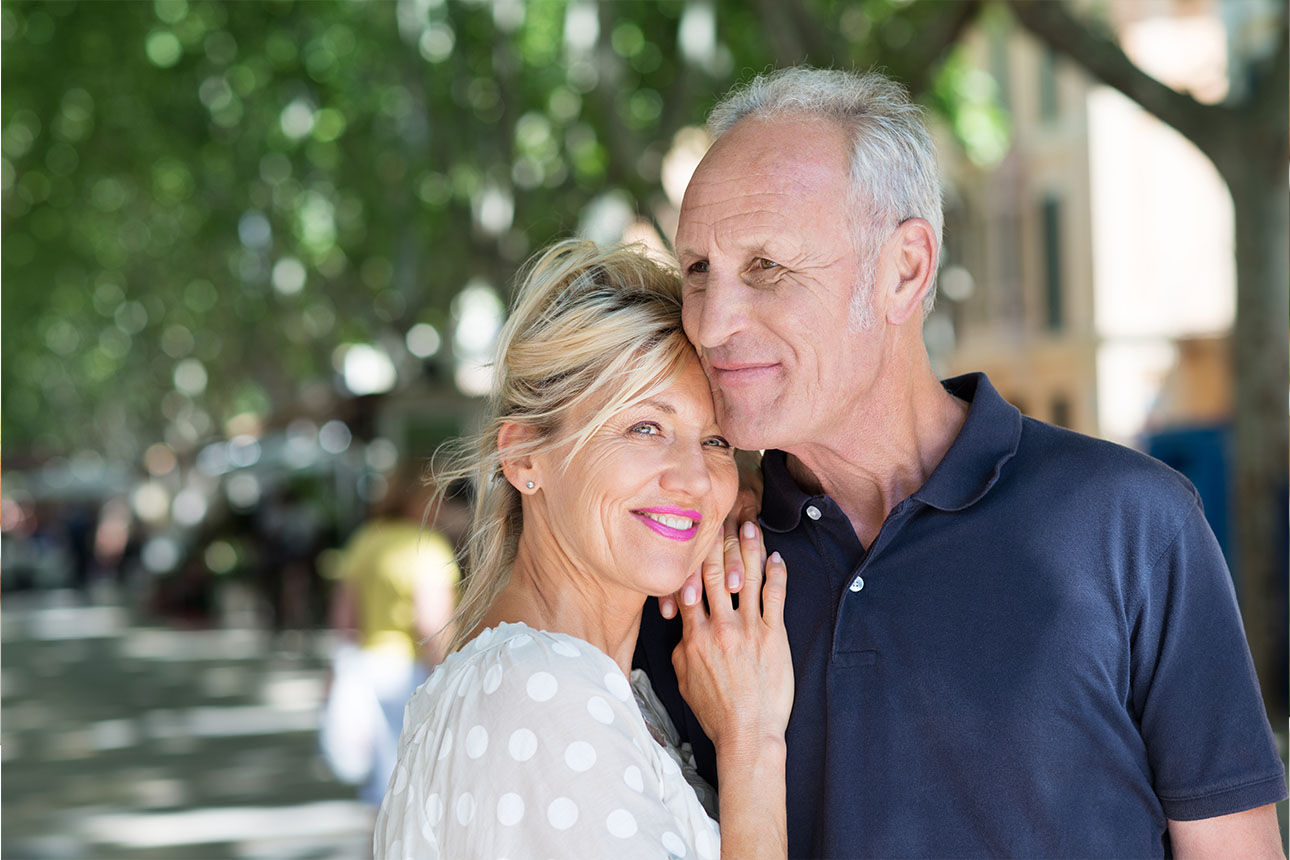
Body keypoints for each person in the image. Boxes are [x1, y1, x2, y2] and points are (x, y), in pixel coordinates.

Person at [636, 67, 1288, 859]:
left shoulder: (1131, 524)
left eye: (767, 268)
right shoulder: (688, 575)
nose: (709, 322)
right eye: (697, 269)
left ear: (904, 270)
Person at [374, 240, 794, 859]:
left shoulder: (545, 681)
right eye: (644, 427)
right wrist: (753, 742)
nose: (696, 479)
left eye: (716, 442)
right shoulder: (544, 694)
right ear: (522, 456)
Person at [328, 473, 460, 809]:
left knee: (380, 786)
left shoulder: (366, 540)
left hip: (365, 665)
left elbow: (344, 621)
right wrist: (452, 676)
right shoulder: (427, 547)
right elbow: (431, 623)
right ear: (421, 500)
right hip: (409, 674)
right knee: (411, 784)